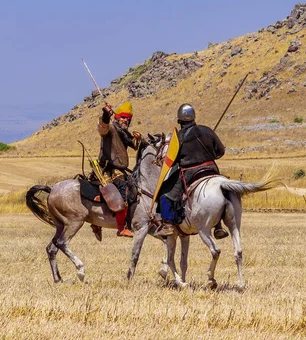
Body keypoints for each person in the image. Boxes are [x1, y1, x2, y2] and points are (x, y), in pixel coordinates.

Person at [155, 103, 228, 239]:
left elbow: (174, 161)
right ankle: (218, 226)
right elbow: (220, 151)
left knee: (165, 194)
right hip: (211, 169)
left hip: (189, 173)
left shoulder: (179, 137)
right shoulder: (207, 130)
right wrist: (209, 157)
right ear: (194, 117)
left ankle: (168, 224)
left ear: (180, 120)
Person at [91, 101, 143, 239]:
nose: (125, 120)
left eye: (128, 118)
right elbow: (102, 127)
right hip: (109, 170)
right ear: (116, 117)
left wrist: (137, 139)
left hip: (121, 170)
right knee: (123, 193)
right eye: (123, 117)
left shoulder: (124, 133)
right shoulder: (111, 129)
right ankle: (121, 227)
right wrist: (105, 115)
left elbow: (134, 145)